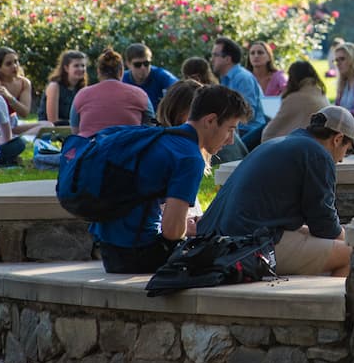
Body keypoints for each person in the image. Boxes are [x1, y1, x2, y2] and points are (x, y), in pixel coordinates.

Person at [91, 84, 250, 273]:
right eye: (230, 129)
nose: (231, 140)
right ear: (210, 121)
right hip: (137, 255)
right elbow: (172, 231)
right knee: (238, 256)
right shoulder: (190, 157)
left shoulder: (163, 138)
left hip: (111, 250)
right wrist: (197, 229)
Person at [198, 106, 354, 277]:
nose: (341, 159)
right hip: (249, 246)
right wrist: (353, 239)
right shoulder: (318, 155)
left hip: (225, 238)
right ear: (338, 139)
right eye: (346, 150)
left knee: (324, 242)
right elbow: (323, 224)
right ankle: (328, 304)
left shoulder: (278, 144)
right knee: (353, 253)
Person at [70, 49, 153, 138]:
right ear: (121, 71)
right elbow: (152, 127)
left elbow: (75, 131)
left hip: (91, 149)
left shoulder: (82, 95)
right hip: (130, 149)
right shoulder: (140, 94)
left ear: (98, 71)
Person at [211, 37, 265, 148]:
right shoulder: (226, 78)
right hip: (235, 131)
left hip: (248, 132)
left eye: (215, 55)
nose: (212, 59)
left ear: (227, 59)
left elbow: (248, 114)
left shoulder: (242, 78)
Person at [261, 60, 330, 143]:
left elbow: (271, 132)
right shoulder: (319, 92)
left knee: (260, 130)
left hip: (303, 144)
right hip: (319, 142)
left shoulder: (295, 98)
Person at [121, 43, 178, 109]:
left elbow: (180, 88)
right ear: (128, 64)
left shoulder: (161, 75)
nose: (143, 68)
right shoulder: (122, 80)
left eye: (146, 63)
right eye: (137, 64)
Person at [41, 50, 88, 124]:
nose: (81, 69)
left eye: (83, 66)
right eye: (76, 66)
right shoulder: (54, 87)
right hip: (49, 130)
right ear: (66, 68)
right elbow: (53, 121)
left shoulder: (82, 89)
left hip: (72, 129)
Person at [0, 47, 33, 120]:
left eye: (16, 62)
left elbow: (25, 113)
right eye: (8, 64)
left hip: (12, 122)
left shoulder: (24, 83)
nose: (14, 66)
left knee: (47, 125)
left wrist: (9, 98)